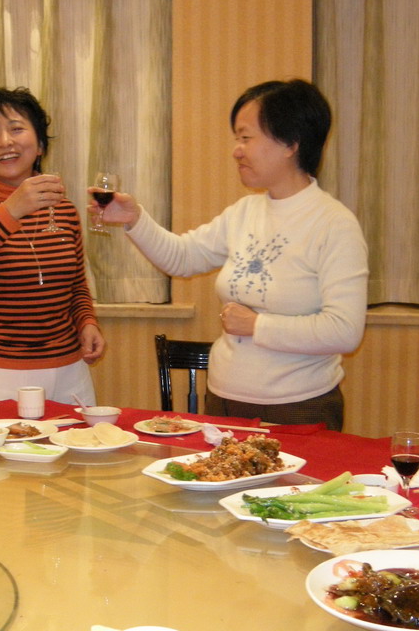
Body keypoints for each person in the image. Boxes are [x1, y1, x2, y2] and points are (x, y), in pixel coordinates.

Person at [89, 79, 367, 428]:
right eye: (237, 138)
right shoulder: (244, 212)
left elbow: (344, 330)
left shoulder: (334, 224)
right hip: (223, 400)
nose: (236, 150)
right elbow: (182, 257)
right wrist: (135, 220)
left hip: (299, 408)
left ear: (290, 144)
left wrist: (257, 325)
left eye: (246, 137)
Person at [0, 86, 104, 405]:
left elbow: (76, 284)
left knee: (78, 452)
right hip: (0, 373)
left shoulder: (65, 212)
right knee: (6, 456)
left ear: (40, 144)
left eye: (16, 128)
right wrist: (12, 208)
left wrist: (87, 320)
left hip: (69, 367)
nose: (5, 141)